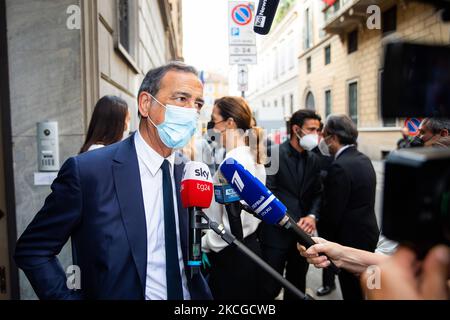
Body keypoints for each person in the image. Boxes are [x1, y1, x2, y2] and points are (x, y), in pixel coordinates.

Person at [14, 62, 212, 300]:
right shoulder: (89, 171)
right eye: (181, 98)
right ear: (146, 104)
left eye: (197, 104)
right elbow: (34, 249)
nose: (192, 111)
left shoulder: (188, 172)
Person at [201, 96, 266, 300]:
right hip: (248, 249)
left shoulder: (233, 162)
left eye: (214, 121)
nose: (212, 128)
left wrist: (204, 244)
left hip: (232, 255)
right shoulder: (252, 156)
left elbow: (232, 225)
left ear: (230, 123)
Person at [259, 109, 323, 300]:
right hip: (275, 235)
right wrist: (292, 220)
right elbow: (269, 191)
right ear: (296, 129)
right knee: (268, 288)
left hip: (302, 237)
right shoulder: (274, 153)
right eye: (311, 129)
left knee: (297, 287)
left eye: (318, 130)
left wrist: (312, 216)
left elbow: (318, 193)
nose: (316, 135)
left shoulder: (314, 159)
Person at [317, 114, 379, 300]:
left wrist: (323, 240)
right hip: (369, 236)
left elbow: (332, 213)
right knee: (372, 289)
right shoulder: (363, 159)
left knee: (353, 292)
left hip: (349, 243)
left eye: (324, 136)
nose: (323, 141)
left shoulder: (340, 166)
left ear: (334, 138)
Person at [311, 122, 336, 296]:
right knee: (325, 247)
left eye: (318, 131)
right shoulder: (312, 153)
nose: (317, 135)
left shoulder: (334, 154)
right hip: (319, 210)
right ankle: (328, 282)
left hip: (334, 207)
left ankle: (334, 277)